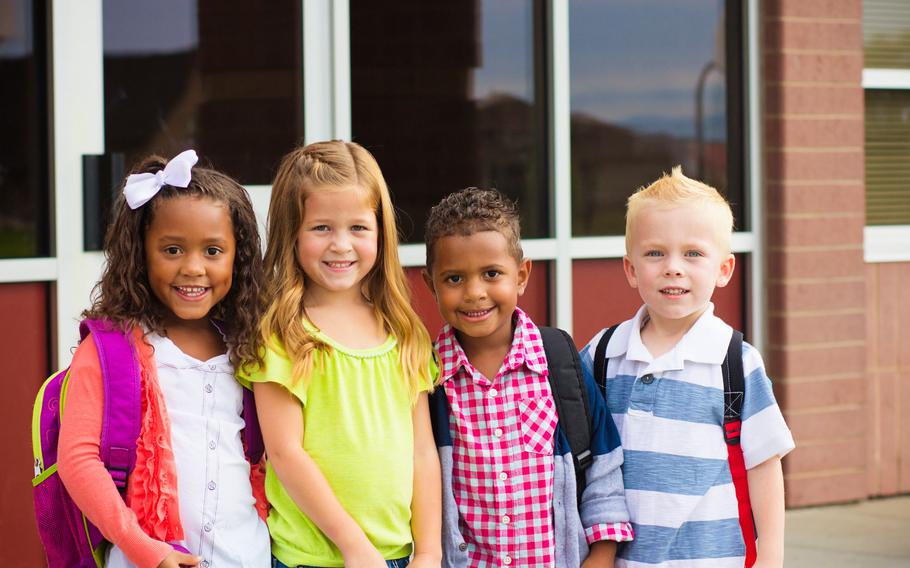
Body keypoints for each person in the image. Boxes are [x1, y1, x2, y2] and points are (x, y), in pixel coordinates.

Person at [58, 150, 271, 568]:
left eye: (213, 251)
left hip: (246, 555)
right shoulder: (110, 349)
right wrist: (145, 550)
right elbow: (78, 460)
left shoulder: (249, 345)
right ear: (141, 253)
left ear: (238, 256)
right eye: (172, 250)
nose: (193, 268)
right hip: (148, 558)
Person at [580, 166, 795, 567]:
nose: (673, 267)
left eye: (693, 253)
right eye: (655, 252)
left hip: (712, 558)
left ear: (724, 269)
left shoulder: (735, 362)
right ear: (630, 268)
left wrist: (771, 557)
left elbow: (764, 466)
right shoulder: (603, 354)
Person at [244, 140, 441, 568]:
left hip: (400, 558)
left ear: (379, 232)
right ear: (290, 232)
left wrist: (429, 550)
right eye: (321, 228)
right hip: (314, 559)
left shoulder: (403, 331)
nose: (341, 245)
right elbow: (285, 453)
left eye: (357, 228)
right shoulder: (282, 333)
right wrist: (353, 546)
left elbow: (423, 451)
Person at [422, 188, 633, 568]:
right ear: (430, 284)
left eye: (491, 274)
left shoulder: (558, 362)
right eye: (454, 278)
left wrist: (600, 556)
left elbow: (603, 471)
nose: (474, 293)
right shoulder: (427, 379)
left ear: (521, 275)